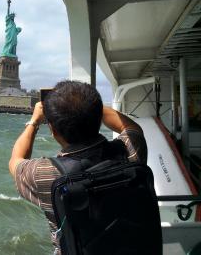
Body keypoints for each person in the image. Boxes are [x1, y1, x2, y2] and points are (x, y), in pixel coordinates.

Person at [9, 80, 147, 254]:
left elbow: (16, 160)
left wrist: (34, 122)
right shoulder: (130, 150)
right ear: (97, 117)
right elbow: (130, 127)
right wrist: (88, 105)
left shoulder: (43, 174)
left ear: (53, 130)